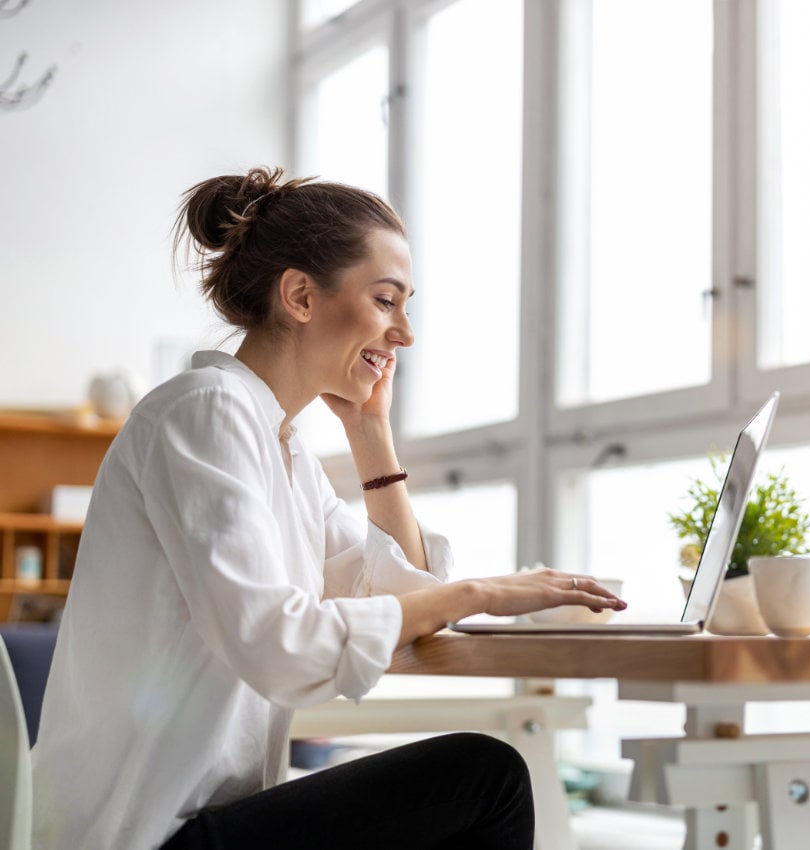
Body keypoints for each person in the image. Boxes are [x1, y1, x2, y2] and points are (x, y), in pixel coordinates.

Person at [31, 167, 627, 850]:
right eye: (385, 301)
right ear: (300, 296)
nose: (403, 333)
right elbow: (277, 644)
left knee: (471, 782)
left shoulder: (279, 448)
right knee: (482, 778)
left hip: (200, 824)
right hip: (138, 838)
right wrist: (482, 592)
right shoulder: (204, 412)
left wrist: (372, 438)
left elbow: (399, 589)